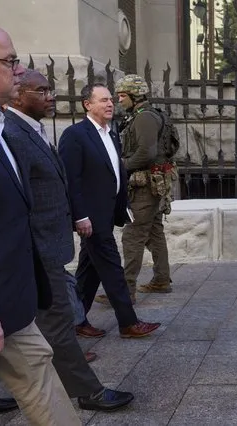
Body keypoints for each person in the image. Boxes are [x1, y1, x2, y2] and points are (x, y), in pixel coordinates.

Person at [0, 70, 134, 412]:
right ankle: (88, 391)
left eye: (50, 89)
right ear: (18, 96)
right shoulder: (11, 133)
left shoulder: (28, 128)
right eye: (41, 90)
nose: (51, 96)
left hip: (43, 244)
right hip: (36, 248)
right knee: (57, 320)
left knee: (6, 322)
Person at [0, 23, 81, 425]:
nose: (19, 70)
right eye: (10, 61)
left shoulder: (0, 126)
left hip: (9, 298)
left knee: (41, 375)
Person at [58, 83, 161, 339]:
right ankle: (128, 322)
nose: (109, 104)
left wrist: (122, 204)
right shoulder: (75, 135)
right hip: (90, 216)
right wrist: (80, 215)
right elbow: (71, 179)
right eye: (102, 100)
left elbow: (114, 171)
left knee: (89, 269)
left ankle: (76, 319)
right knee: (113, 267)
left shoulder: (111, 132)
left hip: (107, 211)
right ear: (87, 104)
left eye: (111, 100)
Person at [115, 74, 174, 300]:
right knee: (154, 232)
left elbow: (145, 153)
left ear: (134, 95)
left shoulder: (144, 118)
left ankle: (125, 291)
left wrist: (120, 167)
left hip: (145, 186)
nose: (119, 101)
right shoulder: (146, 115)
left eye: (122, 96)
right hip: (153, 183)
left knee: (133, 235)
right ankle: (161, 279)